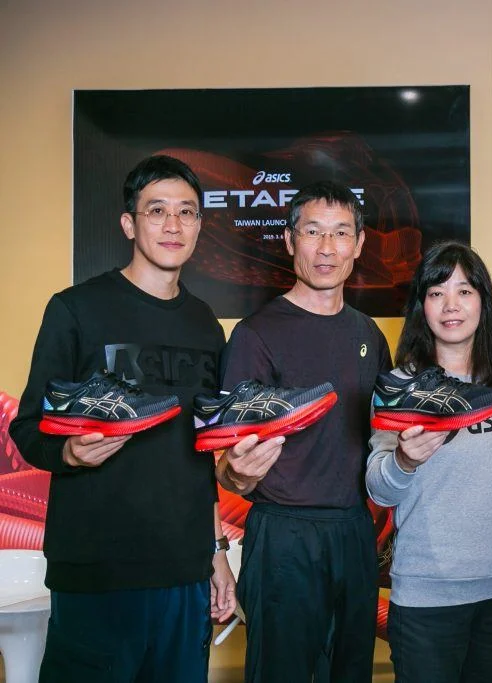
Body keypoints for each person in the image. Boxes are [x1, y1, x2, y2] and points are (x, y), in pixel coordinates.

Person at [8, 155, 235, 681]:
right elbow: (28, 427)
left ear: (200, 225)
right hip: (97, 571)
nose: (173, 224)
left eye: (186, 212)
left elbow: (201, 453)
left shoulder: (206, 325)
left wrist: (216, 550)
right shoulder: (75, 309)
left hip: (183, 570)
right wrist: (69, 452)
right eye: (157, 210)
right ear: (129, 224)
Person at [216, 181, 391, 682]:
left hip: (353, 532)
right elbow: (229, 467)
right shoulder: (255, 334)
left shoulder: (369, 335)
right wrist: (239, 474)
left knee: (351, 672)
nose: (327, 247)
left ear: (359, 244)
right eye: (313, 232)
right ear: (290, 240)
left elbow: (385, 441)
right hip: (283, 537)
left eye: (341, 233)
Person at [366, 241, 492, 683]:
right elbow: (378, 487)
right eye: (437, 292)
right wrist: (404, 459)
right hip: (427, 596)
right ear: (421, 306)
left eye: (464, 291)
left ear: (483, 301)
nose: (451, 305)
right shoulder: (398, 388)